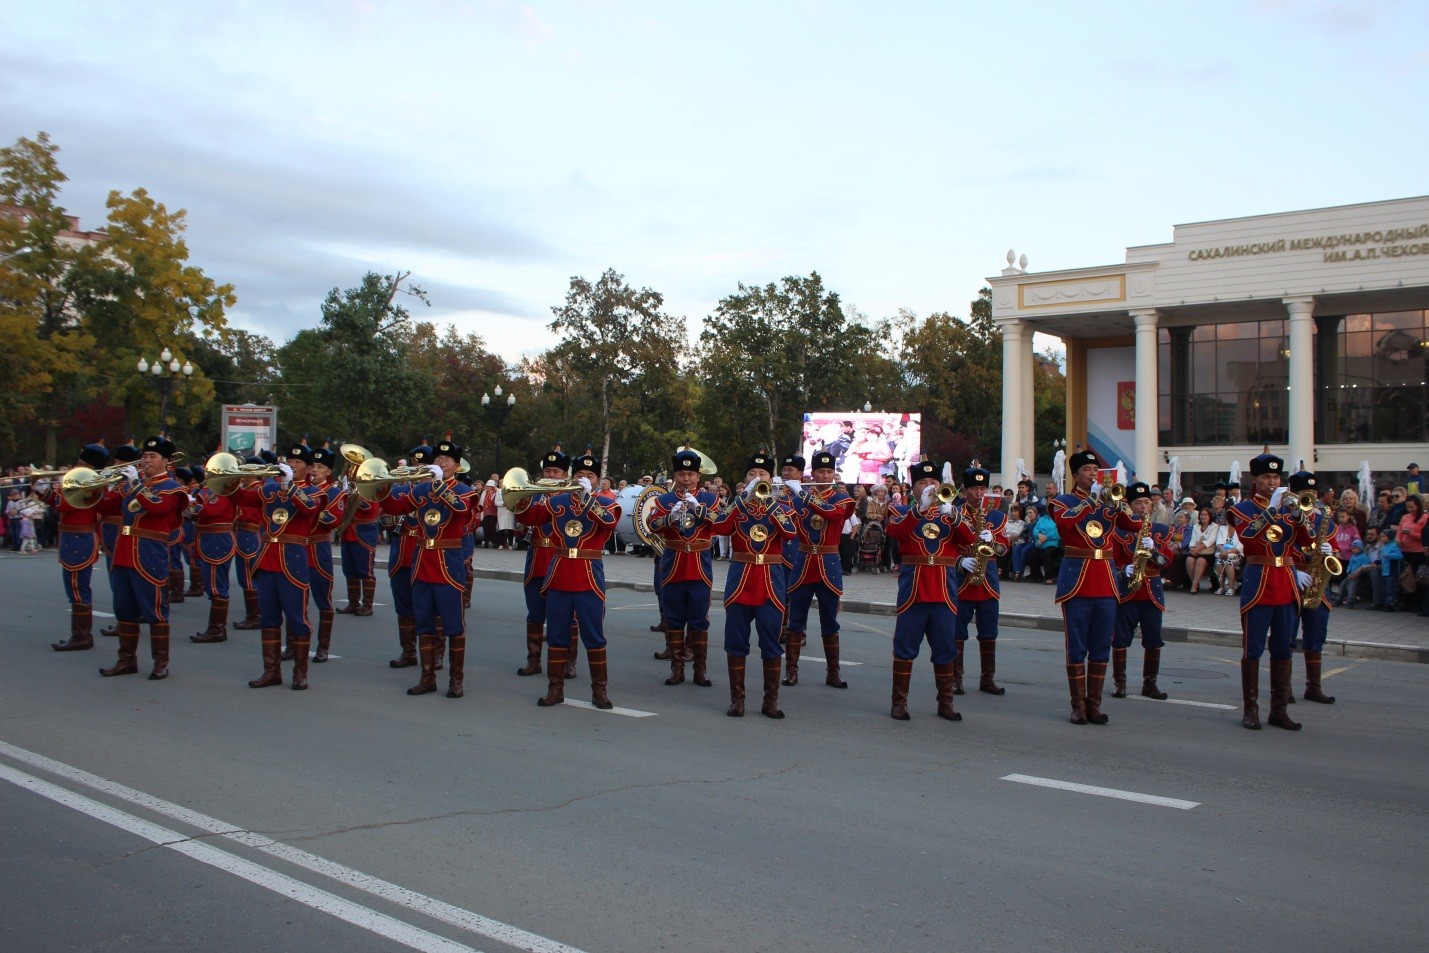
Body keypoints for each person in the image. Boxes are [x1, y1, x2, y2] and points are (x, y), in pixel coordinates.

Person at [517, 449, 620, 710]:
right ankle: (555, 689)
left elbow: (608, 523)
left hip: (588, 575)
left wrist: (587, 499)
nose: (586, 478)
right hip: (559, 573)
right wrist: (524, 495)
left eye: (591, 475)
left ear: (597, 480)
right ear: (573, 477)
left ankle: (600, 692)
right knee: (557, 634)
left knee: (594, 636)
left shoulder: (606, 502)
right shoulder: (557, 500)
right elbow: (528, 517)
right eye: (581, 474)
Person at [378, 437, 476, 698]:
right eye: (438, 460)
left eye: (447, 461)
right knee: (424, 623)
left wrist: (439, 486)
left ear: (457, 466)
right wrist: (381, 486)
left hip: (448, 563)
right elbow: (395, 506)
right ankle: (427, 677)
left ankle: (456, 681)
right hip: (422, 562)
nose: (442, 464)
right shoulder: (421, 491)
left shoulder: (466, 490)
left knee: (453, 625)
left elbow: (461, 509)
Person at [231, 441, 332, 690]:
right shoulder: (270, 489)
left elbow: (309, 509)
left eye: (298, 462)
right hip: (267, 558)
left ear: (309, 468)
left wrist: (289, 486)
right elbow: (242, 498)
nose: (292, 465)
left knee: (298, 618)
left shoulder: (315, 492)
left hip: (293, 560)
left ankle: (300, 673)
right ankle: (271, 671)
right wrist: (230, 477)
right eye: (290, 461)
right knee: (269, 618)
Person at [1049, 450, 1139, 726]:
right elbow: (1064, 522)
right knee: (1076, 646)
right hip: (1077, 582)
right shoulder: (1061, 501)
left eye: (1094, 469)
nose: (1092, 474)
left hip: (1106, 582)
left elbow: (1134, 525)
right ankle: (1077, 706)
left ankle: (1094, 705)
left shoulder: (1108, 503)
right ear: (1076, 475)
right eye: (1087, 470)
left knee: (1101, 646)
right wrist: (1091, 502)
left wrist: (1119, 503)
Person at [883, 459, 977, 721]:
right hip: (913, 589)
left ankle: (945, 702)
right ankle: (898, 702)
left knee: (946, 647)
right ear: (913, 488)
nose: (929, 487)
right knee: (905, 645)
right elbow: (895, 531)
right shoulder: (901, 510)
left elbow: (970, 539)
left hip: (944, 590)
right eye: (922, 483)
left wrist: (954, 515)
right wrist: (920, 509)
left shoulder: (951, 512)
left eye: (933, 482)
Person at [1227, 451, 1312, 730]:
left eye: (1276, 477)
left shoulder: (1289, 507)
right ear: (1255, 479)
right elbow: (1247, 537)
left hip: (1285, 581)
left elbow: (1306, 541)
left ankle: (1279, 710)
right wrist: (1272, 511)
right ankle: (1250, 710)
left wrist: (1299, 516)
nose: (1272, 482)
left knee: (1283, 648)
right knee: (1253, 648)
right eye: (1266, 477)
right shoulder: (1243, 508)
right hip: (1259, 581)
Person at [94, 435, 187, 680]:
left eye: (152, 456)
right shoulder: (130, 485)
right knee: (123, 608)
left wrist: (135, 485)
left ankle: (160, 663)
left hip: (149, 553)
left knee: (155, 609)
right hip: (124, 552)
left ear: (166, 461)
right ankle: (126, 660)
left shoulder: (173, 488)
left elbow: (156, 507)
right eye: (144, 456)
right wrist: (99, 487)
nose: (146, 460)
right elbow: (105, 507)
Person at [709, 450, 794, 718]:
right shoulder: (738, 505)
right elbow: (720, 527)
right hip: (741, 579)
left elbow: (791, 532)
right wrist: (741, 501)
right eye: (752, 474)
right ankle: (738, 700)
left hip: (770, 581)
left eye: (763, 474)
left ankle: (770, 701)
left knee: (771, 642)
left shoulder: (780, 505)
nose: (758, 478)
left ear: (771, 478)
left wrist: (768, 502)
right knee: (736, 641)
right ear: (745, 478)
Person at [784, 450, 857, 689]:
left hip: (829, 564)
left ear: (834, 473)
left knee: (830, 622)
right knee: (795, 621)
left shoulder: (842, 498)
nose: (825, 475)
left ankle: (833, 673)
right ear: (812, 474)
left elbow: (833, 514)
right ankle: (791, 671)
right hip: (803, 563)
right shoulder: (796, 498)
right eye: (820, 471)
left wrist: (803, 496)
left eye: (829, 471)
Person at [648, 447, 720, 688]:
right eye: (681, 475)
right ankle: (677, 669)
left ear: (698, 476)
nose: (686, 479)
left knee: (699, 620)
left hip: (699, 565)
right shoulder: (664, 499)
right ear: (675, 476)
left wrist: (698, 509)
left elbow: (721, 522)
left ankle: (700, 670)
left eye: (690, 475)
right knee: (674, 618)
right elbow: (652, 525)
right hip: (673, 565)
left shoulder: (710, 498)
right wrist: (671, 516)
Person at [1109, 482, 1175, 700]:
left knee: (1154, 639)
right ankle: (1120, 683)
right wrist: (1122, 569)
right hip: (1128, 592)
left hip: (1152, 592)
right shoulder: (1120, 530)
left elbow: (1167, 561)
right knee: (1120, 639)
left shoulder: (1161, 531)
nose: (1143, 506)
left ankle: (1150, 684)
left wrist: (1154, 550)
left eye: (1147, 502)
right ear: (1130, 505)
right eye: (1138, 502)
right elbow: (1111, 560)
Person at [44, 442, 109, 652]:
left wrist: (46, 492)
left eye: (79, 462)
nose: (75, 465)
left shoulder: (88, 483)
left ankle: (81, 636)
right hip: (74, 537)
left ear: (88, 464)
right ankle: (81, 635)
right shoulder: (87, 481)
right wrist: (42, 492)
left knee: (77, 587)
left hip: (78, 539)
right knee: (75, 586)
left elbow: (65, 505)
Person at [513, 447, 571, 678]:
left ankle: (567, 662)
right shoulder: (535, 493)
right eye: (548, 470)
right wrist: (522, 499)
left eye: (556, 471)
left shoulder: (571, 495)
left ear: (565, 475)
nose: (551, 475)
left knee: (564, 615)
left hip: (560, 557)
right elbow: (524, 517)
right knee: (535, 613)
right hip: (538, 556)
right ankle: (534, 660)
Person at [951, 463, 1008, 696]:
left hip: (988, 581)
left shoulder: (997, 516)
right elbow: (947, 546)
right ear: (965, 491)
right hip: (963, 579)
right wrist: (959, 562)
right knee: (957, 631)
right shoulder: (956, 513)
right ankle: (956, 679)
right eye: (975, 488)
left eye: (983, 488)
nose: (980, 493)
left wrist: (993, 540)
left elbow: (1004, 551)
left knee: (989, 631)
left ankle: (987, 679)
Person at [1285, 471, 1339, 706]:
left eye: (1314, 494)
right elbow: (1273, 550)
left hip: (1317, 582)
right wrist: (1293, 573)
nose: (1312, 499)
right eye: (1306, 494)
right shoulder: (1282, 518)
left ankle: (1313, 687)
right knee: (1285, 637)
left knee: (1316, 637)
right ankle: (1283, 687)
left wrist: (1331, 552)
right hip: (1291, 579)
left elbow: (1336, 552)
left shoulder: (1324, 520)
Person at [187, 454, 238, 644]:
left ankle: (217, 629)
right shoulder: (213, 491)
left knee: (217, 585)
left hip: (217, 540)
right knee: (212, 584)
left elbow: (209, 511)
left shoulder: (225, 491)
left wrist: (190, 505)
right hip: (208, 539)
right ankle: (215, 628)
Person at [302, 445, 344, 664]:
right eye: (312, 466)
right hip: (298, 549)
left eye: (319, 467)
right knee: (296, 601)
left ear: (328, 472)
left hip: (319, 549)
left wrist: (316, 510)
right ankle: (294, 644)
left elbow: (335, 520)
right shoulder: (301, 489)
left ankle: (323, 646)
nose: (314, 470)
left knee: (323, 600)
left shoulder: (335, 493)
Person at [336, 453, 381, 618]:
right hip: (348, 532)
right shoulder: (350, 485)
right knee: (350, 570)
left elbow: (372, 509)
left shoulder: (371, 485)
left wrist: (356, 497)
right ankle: (353, 603)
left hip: (364, 533)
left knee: (365, 570)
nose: (352, 471)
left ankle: (367, 605)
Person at [1185, 508, 1220, 594]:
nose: (1203, 517)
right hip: (1196, 550)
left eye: (1205, 515)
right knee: (1189, 560)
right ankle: (1195, 583)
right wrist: (1192, 549)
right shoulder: (1196, 526)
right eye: (1201, 515)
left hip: (1207, 552)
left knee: (1200, 561)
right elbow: (1193, 540)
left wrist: (1197, 549)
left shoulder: (1214, 526)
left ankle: (1193, 586)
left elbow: (1210, 541)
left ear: (1209, 516)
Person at [1024, 504, 1061, 583]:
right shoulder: (1041, 519)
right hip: (1040, 543)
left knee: (1047, 554)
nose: (1049, 510)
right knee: (1031, 555)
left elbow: (1057, 533)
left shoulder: (1057, 519)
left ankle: (1049, 578)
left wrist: (1045, 537)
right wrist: (1039, 535)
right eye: (1048, 509)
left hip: (1052, 544)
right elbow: (1035, 530)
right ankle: (1038, 576)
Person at [1214, 524, 1243, 596]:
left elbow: (1240, 547)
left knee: (1228, 561)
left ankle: (1231, 588)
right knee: (1218, 561)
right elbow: (1219, 543)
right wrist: (1222, 551)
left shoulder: (1241, 528)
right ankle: (1221, 587)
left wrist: (1227, 552)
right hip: (1223, 552)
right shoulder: (1222, 528)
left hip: (1237, 554)